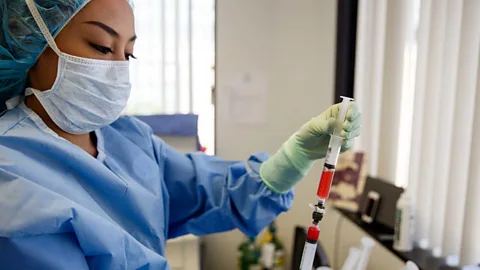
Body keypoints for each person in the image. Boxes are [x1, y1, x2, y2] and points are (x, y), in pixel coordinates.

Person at [0, 0, 361, 269]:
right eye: (100, 46)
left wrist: (294, 157)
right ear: (24, 36)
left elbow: (210, 190)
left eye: (129, 53)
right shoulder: (10, 171)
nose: (117, 70)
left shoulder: (128, 140)